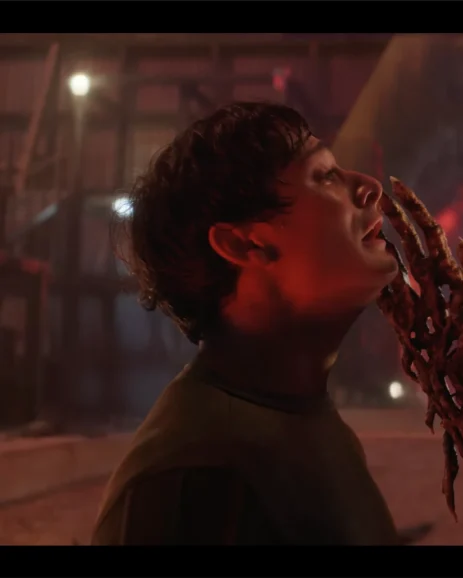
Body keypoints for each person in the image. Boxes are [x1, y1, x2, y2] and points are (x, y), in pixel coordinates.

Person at [91, 102, 402, 545]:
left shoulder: (299, 423)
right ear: (245, 244)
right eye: (324, 175)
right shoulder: (195, 480)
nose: (369, 187)